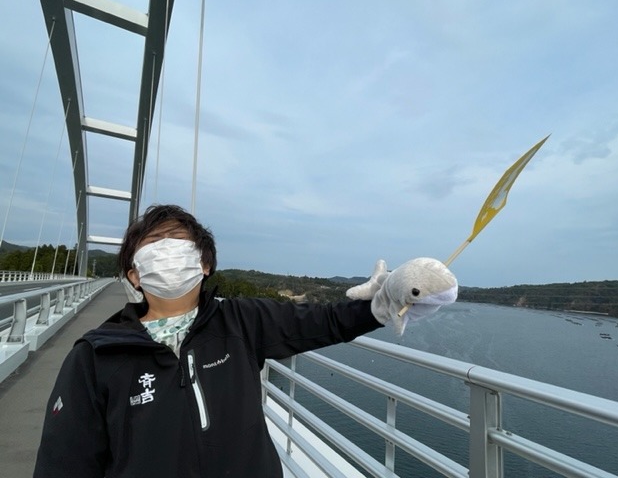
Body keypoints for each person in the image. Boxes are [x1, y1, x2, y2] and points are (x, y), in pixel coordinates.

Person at [34, 204, 457, 477]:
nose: (166, 251)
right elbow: (65, 462)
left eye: (178, 243)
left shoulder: (241, 320)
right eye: (153, 245)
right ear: (133, 274)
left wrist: (384, 301)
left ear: (205, 263)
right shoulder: (96, 354)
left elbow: (325, 321)